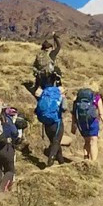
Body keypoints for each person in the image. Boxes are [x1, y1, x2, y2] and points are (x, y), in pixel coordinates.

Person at [33, 34, 69, 168]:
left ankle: (61, 163)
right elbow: (59, 46)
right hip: (53, 94)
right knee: (57, 139)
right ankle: (51, 160)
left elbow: (35, 76)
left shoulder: (38, 57)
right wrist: (55, 37)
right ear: (50, 48)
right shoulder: (51, 55)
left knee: (54, 140)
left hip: (43, 94)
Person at [71, 88, 103, 162]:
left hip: (81, 123)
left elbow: (74, 113)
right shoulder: (97, 98)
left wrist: (73, 126)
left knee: (87, 141)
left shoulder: (78, 99)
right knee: (93, 142)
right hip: (92, 122)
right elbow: (101, 113)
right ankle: (93, 163)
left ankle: (86, 159)